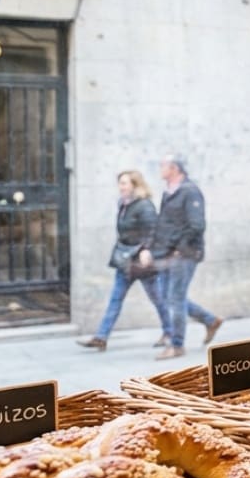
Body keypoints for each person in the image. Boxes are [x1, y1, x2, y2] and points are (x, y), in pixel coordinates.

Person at [76, 170, 170, 351]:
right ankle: (101, 337)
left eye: (124, 183)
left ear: (135, 185)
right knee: (115, 299)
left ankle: (171, 332)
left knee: (158, 299)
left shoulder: (144, 206)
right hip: (126, 260)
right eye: (120, 183)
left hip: (141, 263)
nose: (121, 187)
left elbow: (153, 230)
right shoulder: (124, 204)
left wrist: (146, 250)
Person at [149, 154, 223, 360]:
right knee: (167, 296)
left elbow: (197, 225)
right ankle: (210, 320)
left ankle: (177, 344)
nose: (160, 169)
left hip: (184, 253)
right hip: (167, 252)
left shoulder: (190, 192)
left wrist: (180, 249)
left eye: (163, 165)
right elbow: (164, 223)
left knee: (175, 297)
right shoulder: (168, 193)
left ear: (174, 168)